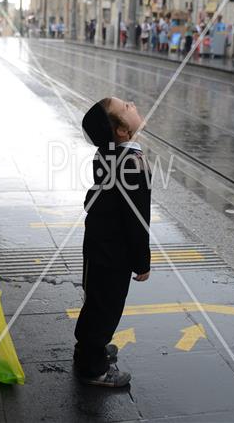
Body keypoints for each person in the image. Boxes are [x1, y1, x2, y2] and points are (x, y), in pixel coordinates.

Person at [74, 97, 151, 387]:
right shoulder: (133, 164)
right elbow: (138, 220)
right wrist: (142, 261)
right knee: (106, 307)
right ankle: (93, 369)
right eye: (127, 107)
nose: (132, 103)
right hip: (113, 253)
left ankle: (88, 349)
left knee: (97, 302)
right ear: (121, 131)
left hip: (98, 244)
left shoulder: (105, 154)